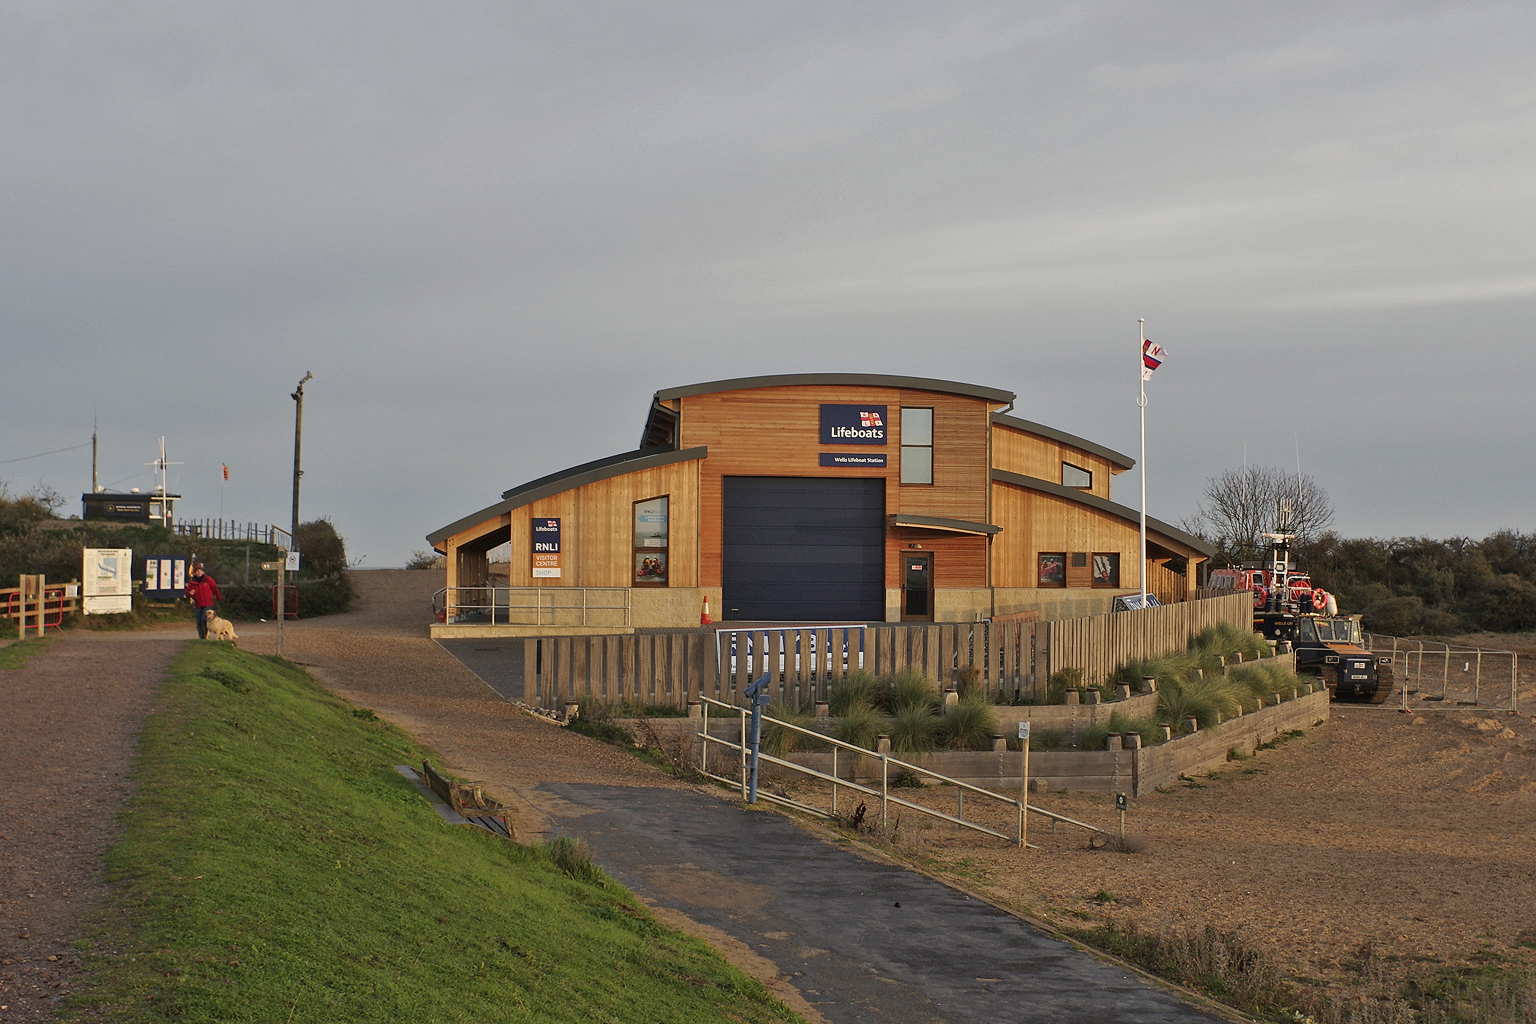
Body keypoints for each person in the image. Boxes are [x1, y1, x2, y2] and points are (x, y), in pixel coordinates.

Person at [184, 561, 222, 639]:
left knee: (204, 619)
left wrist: (218, 597)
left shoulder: (208, 579)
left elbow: (214, 588)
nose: (199, 572)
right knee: (199, 622)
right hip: (198, 604)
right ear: (194, 573)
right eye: (197, 571)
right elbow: (187, 594)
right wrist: (190, 594)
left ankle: (206, 636)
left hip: (208, 603)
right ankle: (202, 637)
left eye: (200, 571)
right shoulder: (192, 583)